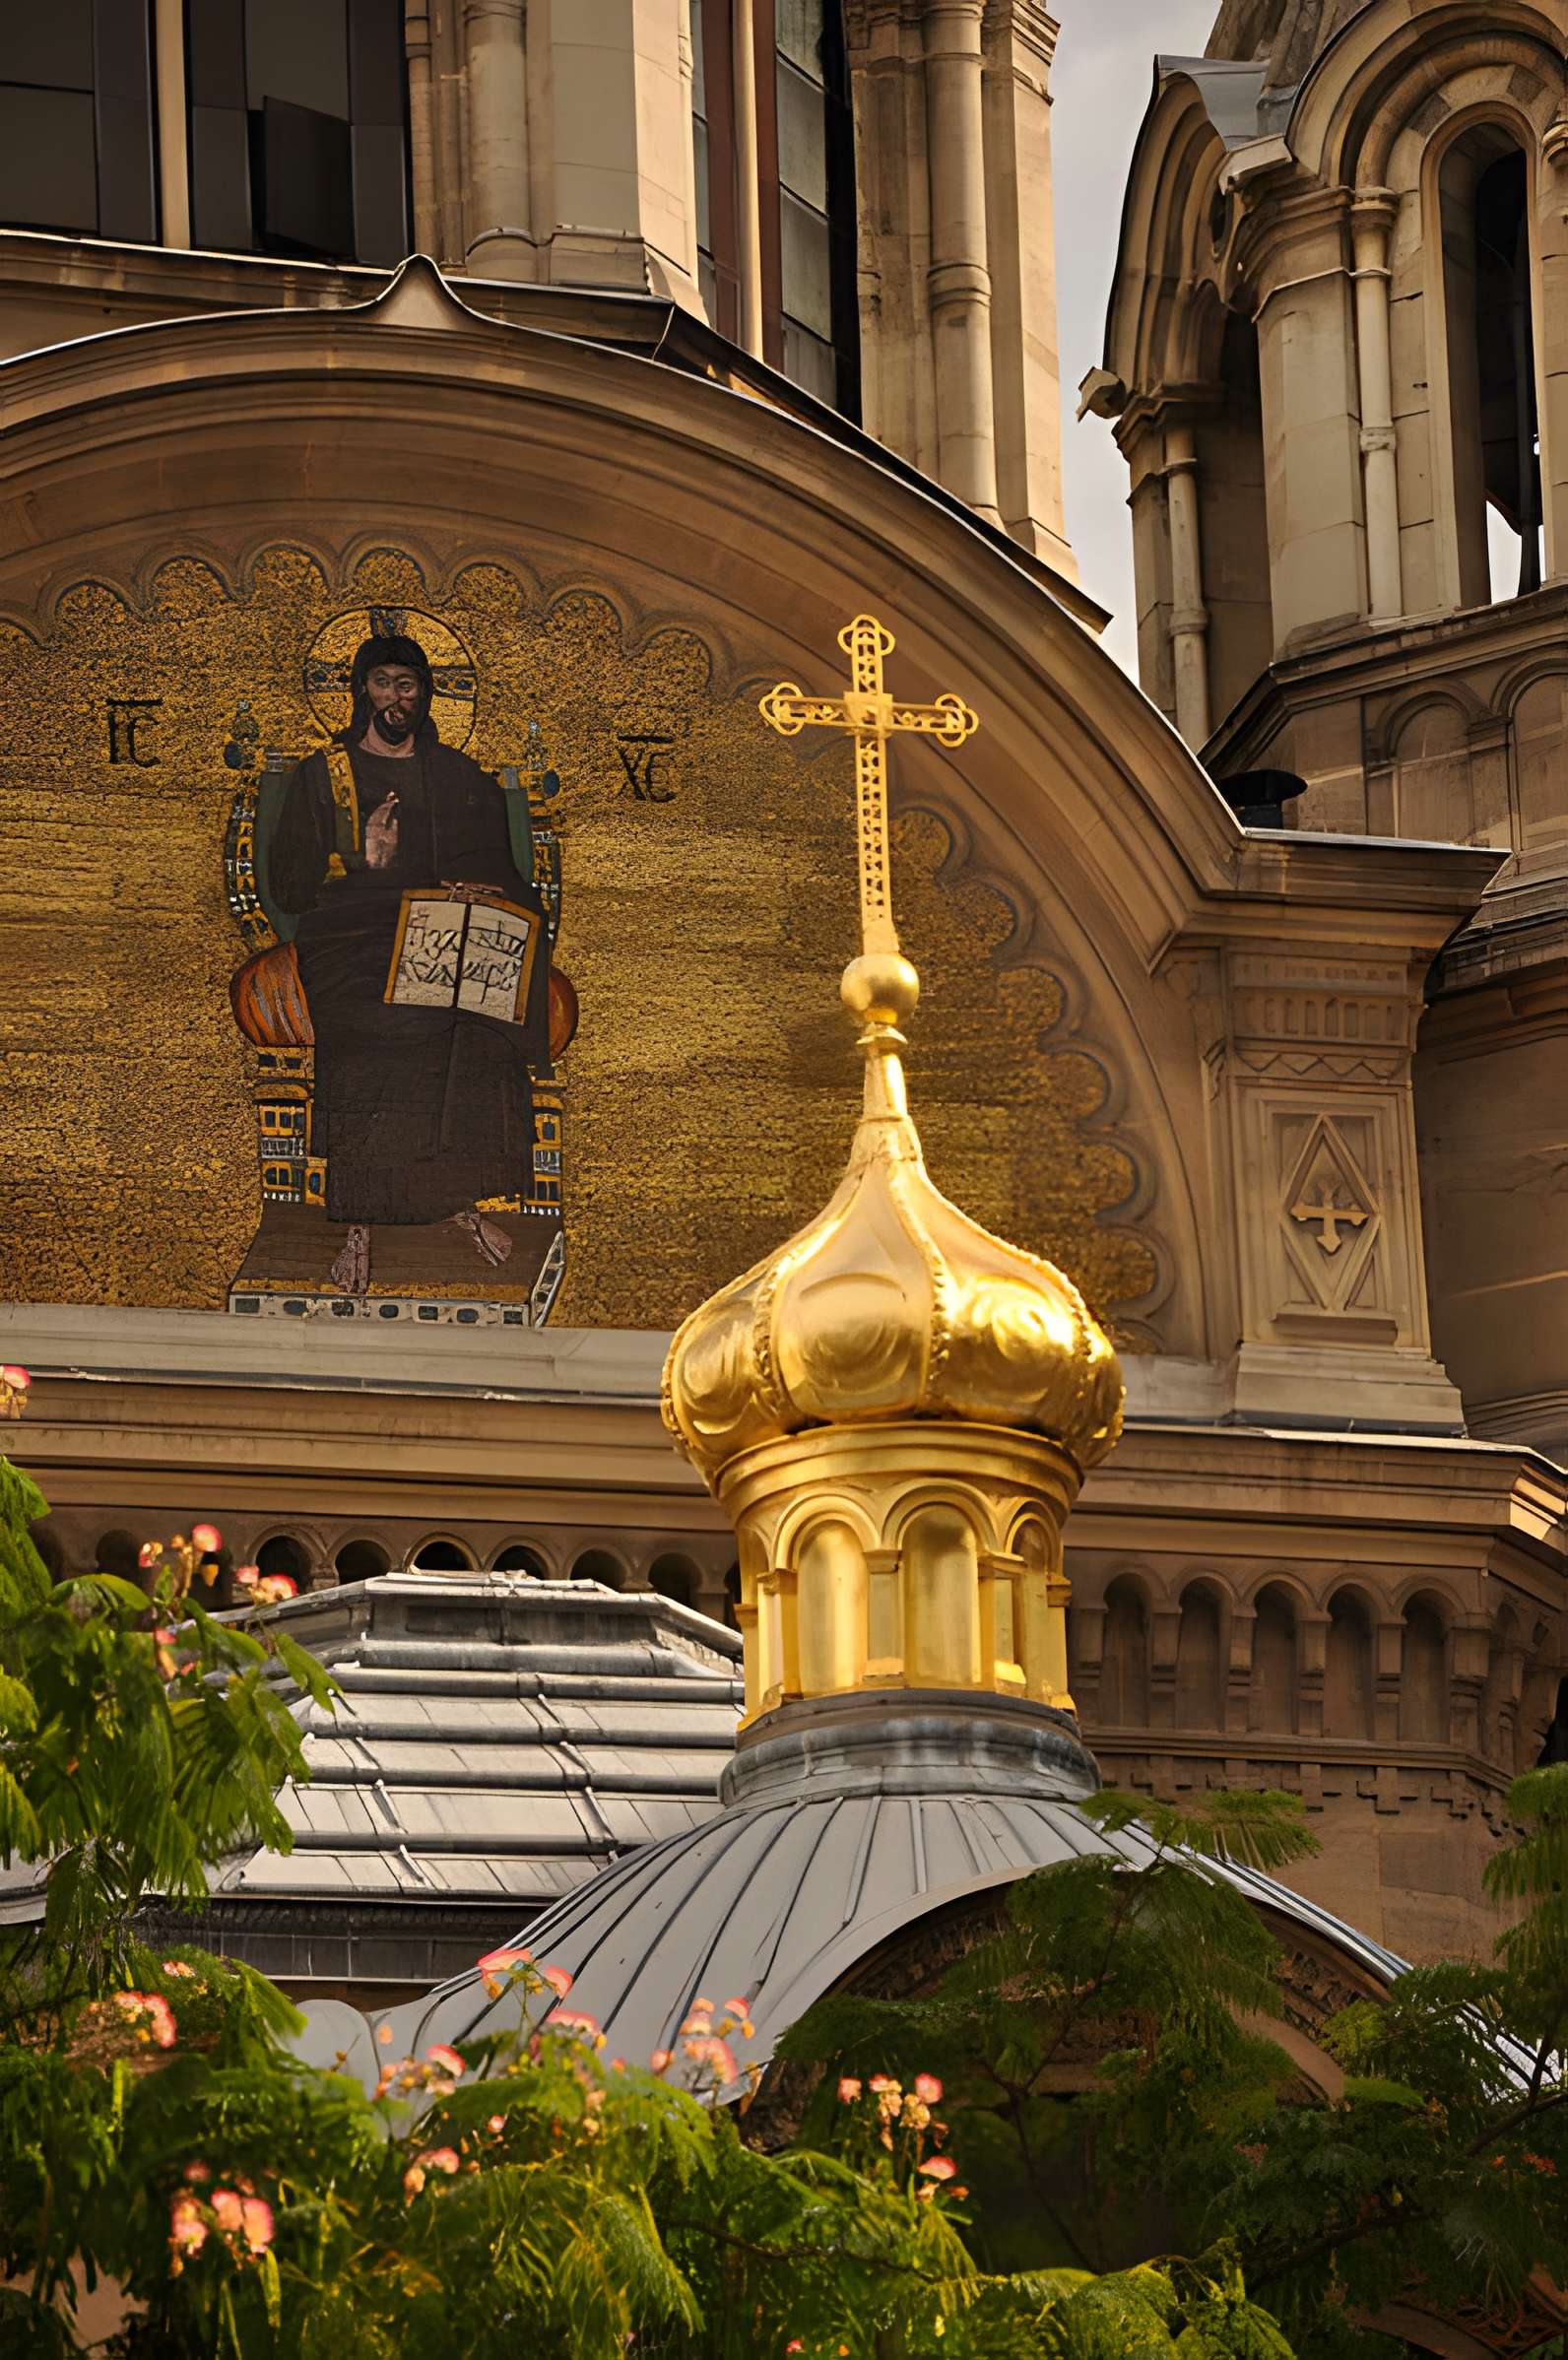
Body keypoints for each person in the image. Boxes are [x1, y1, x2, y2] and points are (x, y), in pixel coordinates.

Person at [269, 634, 549, 1295]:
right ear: (362, 690)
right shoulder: (324, 776)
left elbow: (495, 864)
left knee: (481, 1021)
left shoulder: (456, 776)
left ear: (426, 694)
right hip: (352, 937)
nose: (396, 697)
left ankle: (464, 1202)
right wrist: (360, 856)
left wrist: (477, 890)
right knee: (380, 1024)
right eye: (383, 682)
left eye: (409, 685)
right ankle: (360, 1227)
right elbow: (287, 887)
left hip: (441, 931)